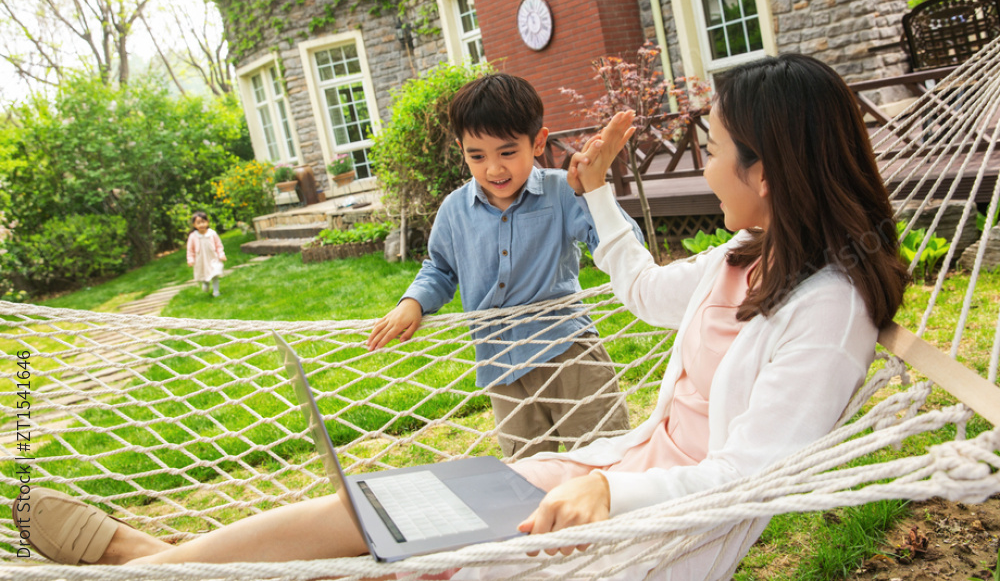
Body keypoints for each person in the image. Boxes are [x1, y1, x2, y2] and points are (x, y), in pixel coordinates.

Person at [14, 54, 908, 579]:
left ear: (766, 172)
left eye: (715, 148)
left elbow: (754, 475)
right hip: (594, 477)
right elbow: (640, 289)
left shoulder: (826, 311)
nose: (706, 163)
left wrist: (612, 492)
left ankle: (140, 561)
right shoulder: (744, 258)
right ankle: (151, 562)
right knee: (387, 507)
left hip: (643, 525)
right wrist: (596, 197)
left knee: (413, 554)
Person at [367, 72, 641, 458]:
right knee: (528, 474)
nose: (493, 169)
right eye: (477, 156)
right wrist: (412, 302)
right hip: (501, 367)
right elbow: (440, 269)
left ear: (539, 142)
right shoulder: (453, 211)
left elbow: (623, 248)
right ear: (461, 149)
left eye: (507, 152)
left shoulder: (562, 192)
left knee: (603, 460)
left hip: (568, 352)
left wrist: (593, 191)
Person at [186, 211, 227, 297]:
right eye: (198, 223)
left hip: (213, 257)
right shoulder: (193, 236)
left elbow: (218, 245)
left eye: (203, 222)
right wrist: (190, 260)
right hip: (201, 259)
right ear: (194, 225)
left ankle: (216, 292)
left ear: (207, 222)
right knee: (204, 273)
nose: (201, 225)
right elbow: (190, 249)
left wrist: (221, 254)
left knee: (215, 273)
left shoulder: (212, 233)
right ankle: (206, 283)